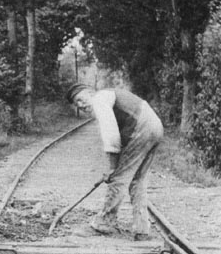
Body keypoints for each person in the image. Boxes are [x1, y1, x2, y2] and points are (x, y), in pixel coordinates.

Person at [66, 82, 164, 240]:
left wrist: (112, 167)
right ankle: (142, 230)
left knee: (119, 178)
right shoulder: (110, 96)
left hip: (142, 127)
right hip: (155, 126)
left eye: (80, 98)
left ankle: (104, 224)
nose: (80, 104)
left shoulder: (99, 98)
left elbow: (110, 134)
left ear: (90, 92)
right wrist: (115, 164)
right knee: (137, 180)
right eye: (77, 103)